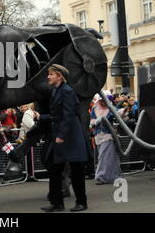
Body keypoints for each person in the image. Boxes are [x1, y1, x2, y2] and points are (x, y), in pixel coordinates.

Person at [36, 64, 90, 212]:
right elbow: (57, 115)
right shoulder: (57, 91)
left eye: (51, 74)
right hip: (62, 137)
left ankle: (81, 202)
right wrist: (43, 116)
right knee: (55, 170)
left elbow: (69, 116)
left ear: (59, 76)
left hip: (70, 137)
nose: (48, 77)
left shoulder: (67, 91)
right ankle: (57, 203)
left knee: (77, 171)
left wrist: (61, 135)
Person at [90, 95, 123, 185]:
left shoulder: (111, 108)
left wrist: (124, 110)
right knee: (109, 156)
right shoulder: (95, 109)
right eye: (102, 100)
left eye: (105, 100)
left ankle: (101, 177)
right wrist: (95, 121)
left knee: (104, 156)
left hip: (108, 135)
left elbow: (118, 114)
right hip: (98, 135)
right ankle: (113, 176)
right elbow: (91, 121)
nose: (103, 102)